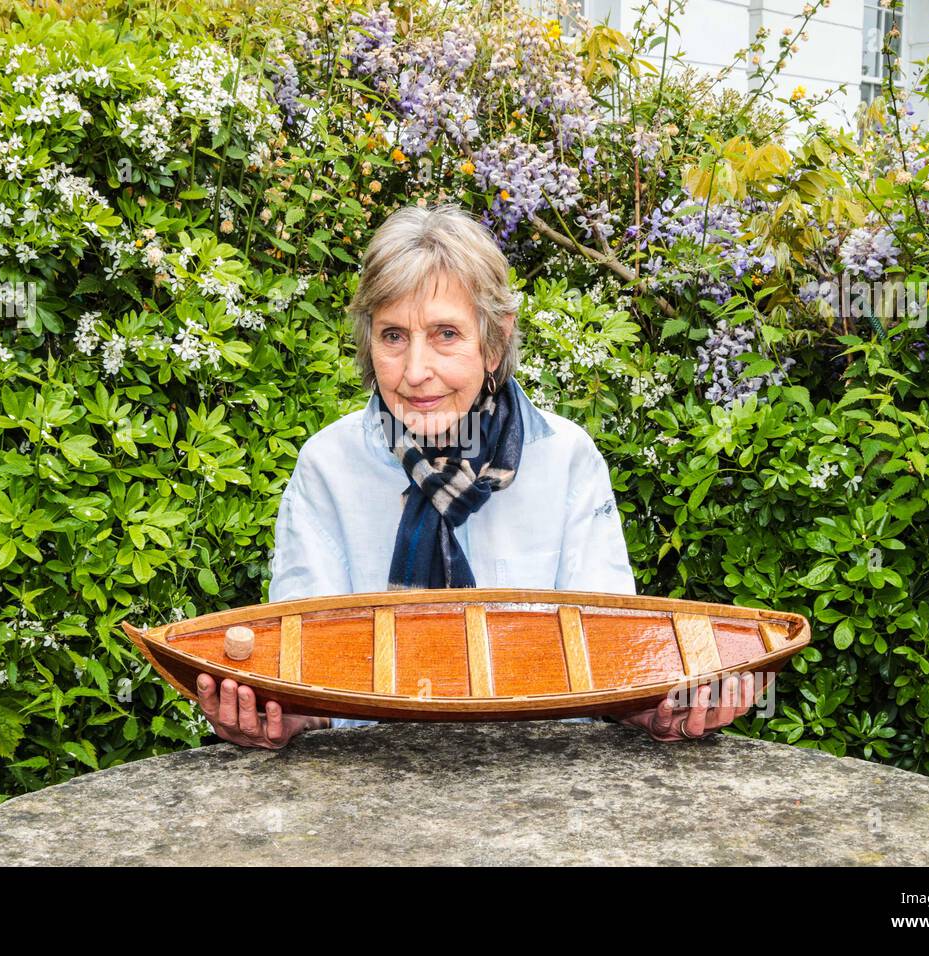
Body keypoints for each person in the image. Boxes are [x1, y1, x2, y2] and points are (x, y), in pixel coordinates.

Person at [194, 202, 761, 748]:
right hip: (372, 789)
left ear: (494, 339)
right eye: (394, 336)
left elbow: (609, 657)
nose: (416, 372)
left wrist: (656, 706)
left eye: (446, 334)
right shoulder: (327, 467)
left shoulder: (566, 460)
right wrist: (279, 714)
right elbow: (301, 673)